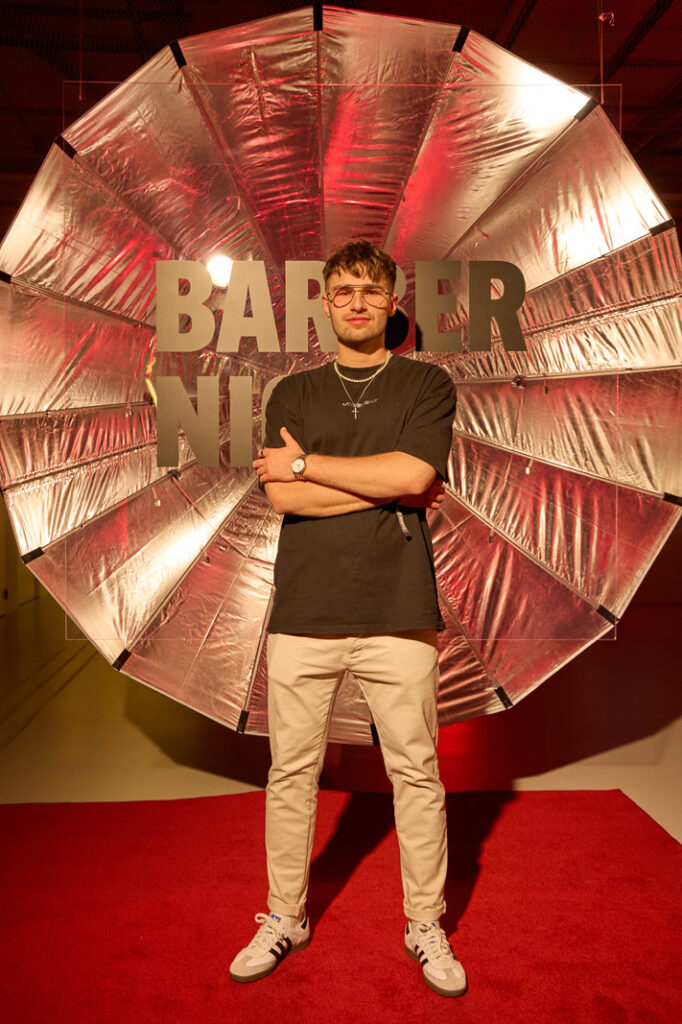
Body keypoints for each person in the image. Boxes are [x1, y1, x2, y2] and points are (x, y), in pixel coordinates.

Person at [229, 240, 466, 998]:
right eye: (343, 292)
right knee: (291, 773)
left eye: (371, 290)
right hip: (304, 610)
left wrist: (308, 465)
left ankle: (425, 922)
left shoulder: (426, 383)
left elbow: (415, 473)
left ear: (392, 304)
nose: (357, 302)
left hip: (400, 608)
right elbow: (284, 497)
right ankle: (284, 916)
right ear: (325, 305)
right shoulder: (293, 394)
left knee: (416, 773)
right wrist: (381, 485)